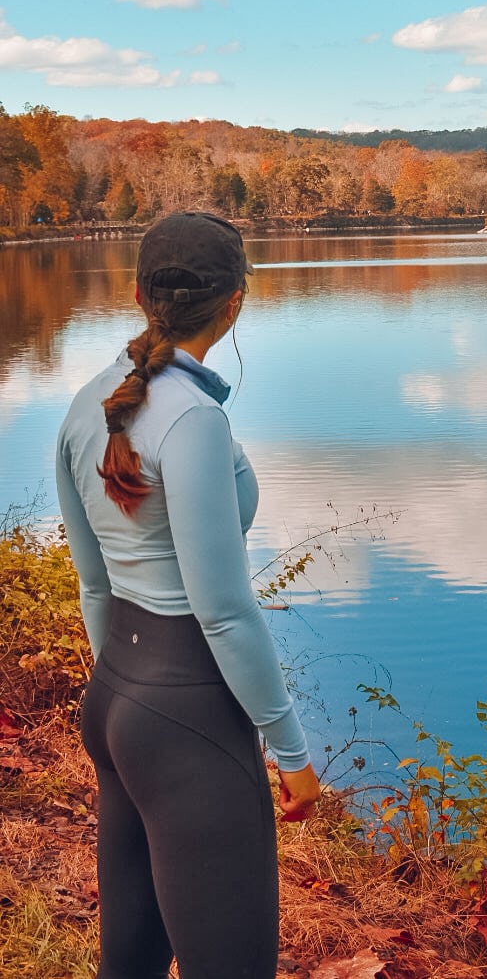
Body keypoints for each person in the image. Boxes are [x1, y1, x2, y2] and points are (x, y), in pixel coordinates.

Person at [55, 211, 320, 979]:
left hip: (117, 702)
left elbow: (94, 583)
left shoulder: (88, 403)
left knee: (128, 966)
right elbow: (225, 609)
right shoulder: (194, 418)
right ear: (236, 301)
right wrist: (292, 751)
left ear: (138, 293)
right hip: (189, 717)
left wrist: (128, 694)